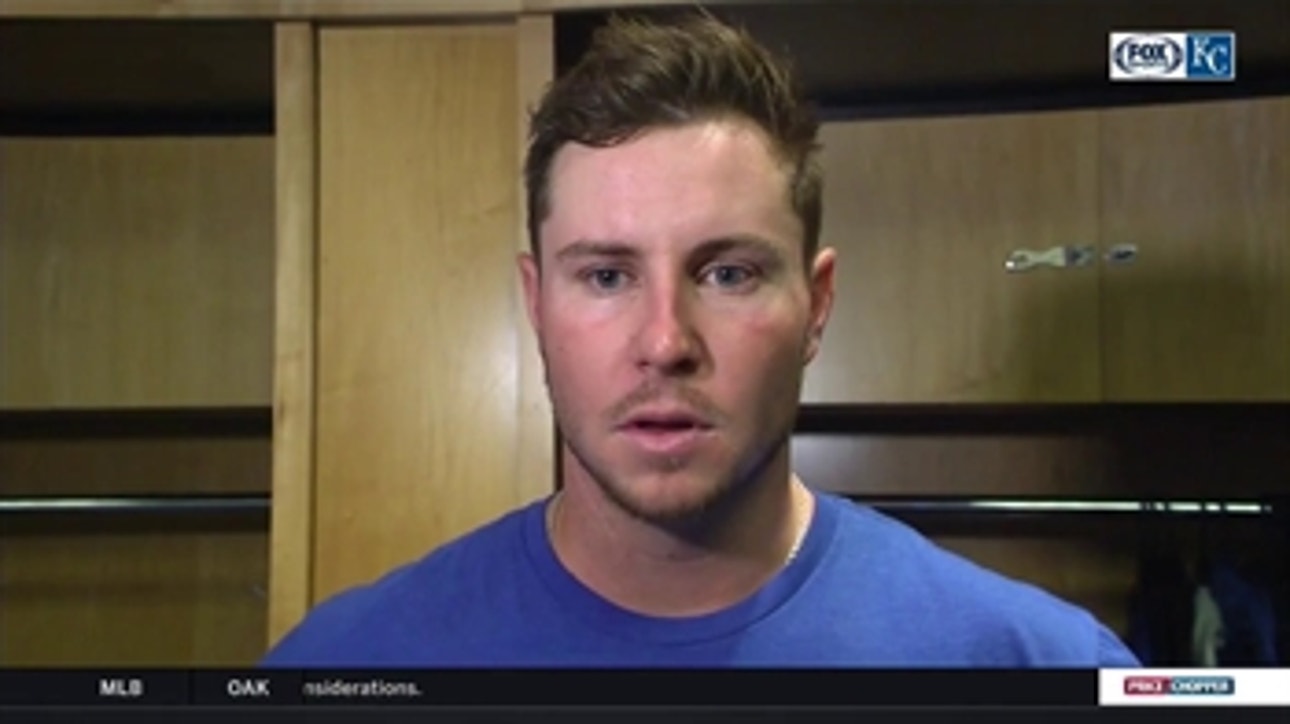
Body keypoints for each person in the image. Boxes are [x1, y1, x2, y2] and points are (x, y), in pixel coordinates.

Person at [262, 11, 1140, 668]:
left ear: (818, 305)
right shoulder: (348, 663)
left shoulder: (1038, 666)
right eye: (606, 276)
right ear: (537, 306)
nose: (665, 341)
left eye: (728, 273)